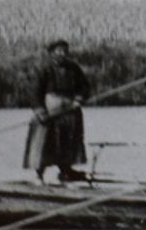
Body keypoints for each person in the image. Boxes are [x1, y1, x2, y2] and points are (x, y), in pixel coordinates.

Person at [23, 39, 94, 182]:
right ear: (52, 53)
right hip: (50, 111)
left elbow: (85, 87)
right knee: (44, 141)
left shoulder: (74, 69)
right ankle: (39, 174)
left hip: (70, 110)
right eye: (59, 51)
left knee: (69, 141)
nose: (63, 54)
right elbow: (34, 92)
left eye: (65, 51)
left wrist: (78, 99)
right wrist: (40, 111)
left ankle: (66, 171)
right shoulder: (43, 69)